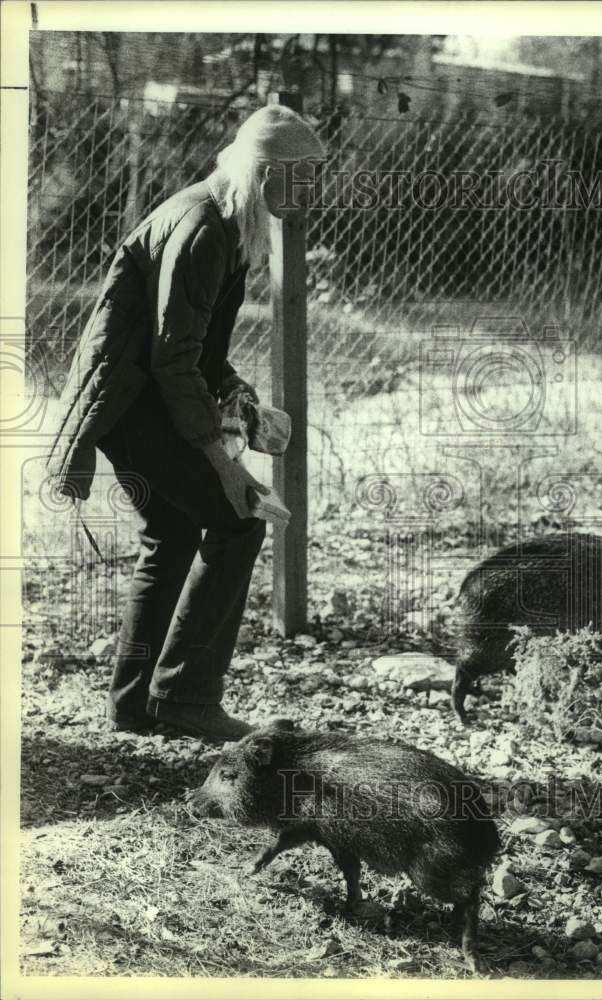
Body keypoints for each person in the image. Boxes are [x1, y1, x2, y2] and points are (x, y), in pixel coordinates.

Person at [46, 105, 325, 741]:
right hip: (134, 404)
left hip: (144, 398)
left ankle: (135, 702)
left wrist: (241, 401)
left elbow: (197, 351)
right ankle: (186, 698)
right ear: (262, 174)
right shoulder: (204, 226)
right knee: (238, 520)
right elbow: (173, 360)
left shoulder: (227, 222)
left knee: (172, 533)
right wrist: (224, 464)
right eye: (301, 176)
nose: (312, 191)